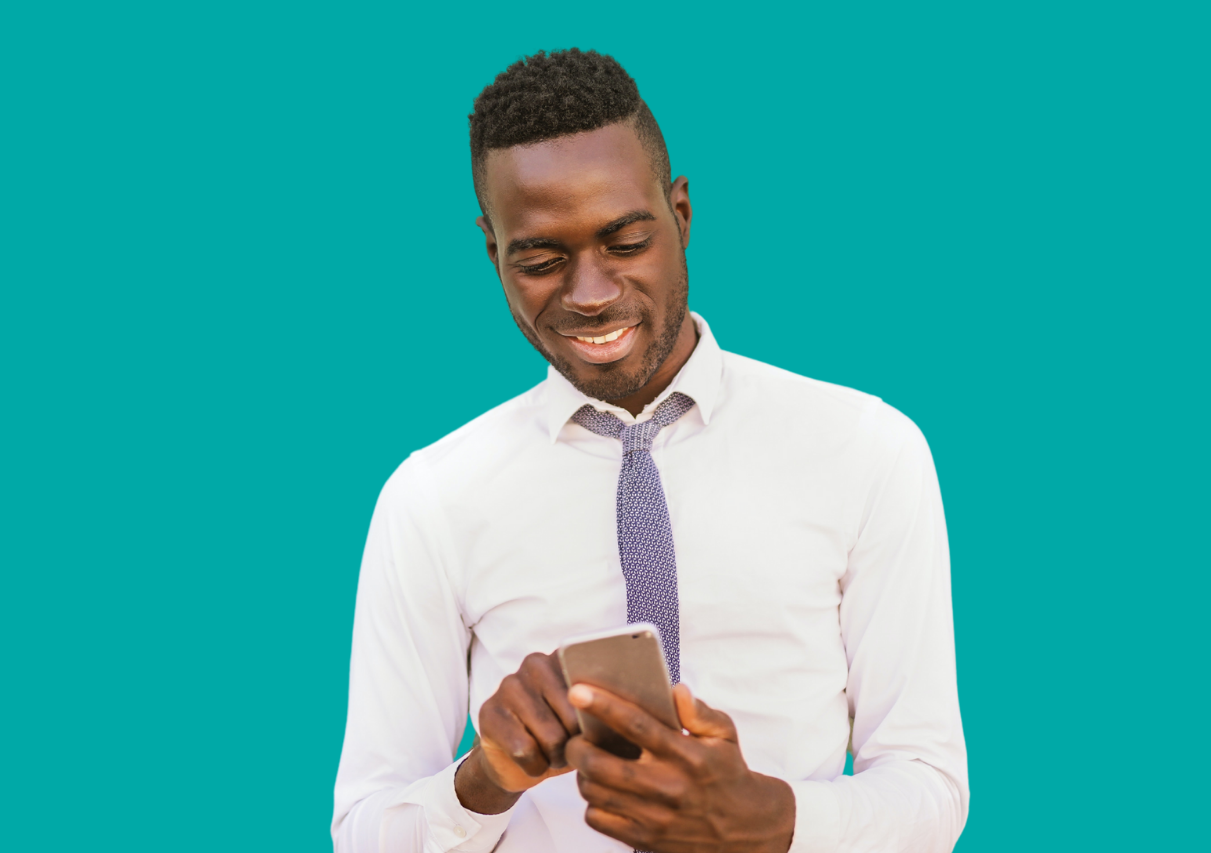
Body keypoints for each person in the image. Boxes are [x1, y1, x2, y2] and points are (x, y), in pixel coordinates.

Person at [332, 48, 968, 853]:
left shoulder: (867, 450)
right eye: (540, 259)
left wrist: (770, 820)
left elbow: (928, 786)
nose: (591, 293)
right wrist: (483, 778)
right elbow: (362, 834)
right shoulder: (432, 499)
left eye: (626, 241)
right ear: (493, 252)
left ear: (682, 215)